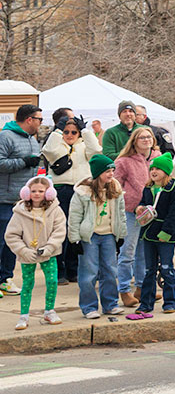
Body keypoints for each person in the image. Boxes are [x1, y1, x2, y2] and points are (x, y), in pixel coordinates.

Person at [69, 154, 126, 319]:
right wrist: (74, 239)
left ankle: (110, 304)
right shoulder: (83, 192)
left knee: (110, 270)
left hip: (108, 235)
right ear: (98, 172)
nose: (111, 174)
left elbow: (120, 214)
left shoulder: (115, 189)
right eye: (107, 171)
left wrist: (120, 235)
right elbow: (74, 216)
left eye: (112, 170)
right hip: (90, 236)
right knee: (89, 272)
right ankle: (89, 307)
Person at [7, 175, 66, 329]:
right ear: (26, 192)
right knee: (27, 284)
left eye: (41, 191)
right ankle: (24, 315)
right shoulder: (19, 212)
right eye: (33, 191)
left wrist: (50, 247)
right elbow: (11, 235)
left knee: (52, 282)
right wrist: (23, 250)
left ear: (49, 193)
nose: (37, 194)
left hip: (48, 253)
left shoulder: (56, 210)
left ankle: (49, 311)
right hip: (28, 254)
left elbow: (59, 231)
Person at [128, 153, 175, 320]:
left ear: (166, 171)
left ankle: (170, 301)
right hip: (149, 234)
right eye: (152, 168)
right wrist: (140, 208)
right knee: (148, 270)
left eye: (158, 168)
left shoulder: (174, 189)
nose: (154, 171)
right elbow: (144, 204)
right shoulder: (148, 188)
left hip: (165, 236)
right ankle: (146, 302)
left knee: (166, 268)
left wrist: (165, 233)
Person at [42, 114, 94, 281]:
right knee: (60, 230)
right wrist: (57, 131)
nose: (70, 135)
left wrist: (85, 130)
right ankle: (59, 269)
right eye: (66, 132)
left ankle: (74, 269)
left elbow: (96, 151)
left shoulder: (83, 146)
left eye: (74, 132)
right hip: (61, 190)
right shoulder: (57, 145)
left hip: (80, 190)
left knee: (76, 229)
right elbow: (48, 151)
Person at [0, 104, 45, 296]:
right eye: (39, 119)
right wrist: (24, 162)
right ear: (29, 120)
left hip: (22, 202)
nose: (41, 123)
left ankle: (5, 279)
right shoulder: (5, 137)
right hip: (4, 199)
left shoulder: (33, 140)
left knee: (14, 243)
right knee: (1, 241)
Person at [114, 127, 157, 305]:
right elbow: (114, 185)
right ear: (134, 141)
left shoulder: (157, 158)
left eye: (149, 137)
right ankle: (124, 290)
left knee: (144, 253)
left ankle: (142, 288)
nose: (146, 140)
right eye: (142, 138)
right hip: (131, 212)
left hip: (151, 212)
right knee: (127, 252)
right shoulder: (124, 161)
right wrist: (128, 197)